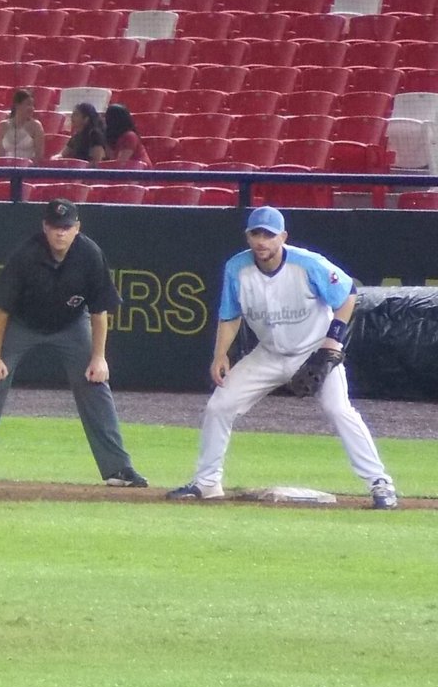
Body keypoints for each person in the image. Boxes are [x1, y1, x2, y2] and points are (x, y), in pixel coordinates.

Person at [167, 207, 398, 509]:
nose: (262, 241)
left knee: (339, 410)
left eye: (268, 234)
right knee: (219, 406)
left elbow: (348, 294)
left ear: (283, 237)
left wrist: (332, 343)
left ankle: (379, 482)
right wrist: (220, 354)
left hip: (314, 351)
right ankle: (207, 482)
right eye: (256, 234)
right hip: (269, 354)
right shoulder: (237, 267)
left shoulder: (306, 264)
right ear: (247, 236)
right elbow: (230, 314)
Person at [0, 199, 147, 488]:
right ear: (44, 228)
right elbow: (1, 309)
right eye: (54, 227)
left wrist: (99, 357)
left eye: (66, 227)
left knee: (95, 384)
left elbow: (100, 310)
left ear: (77, 228)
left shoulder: (89, 254)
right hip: (23, 324)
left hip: (72, 325)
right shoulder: (26, 254)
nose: (60, 233)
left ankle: (118, 468)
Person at [0, 89, 46, 161]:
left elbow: (39, 156)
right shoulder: (2, 126)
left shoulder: (36, 126)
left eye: (32, 105)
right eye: (28, 104)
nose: (32, 108)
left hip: (27, 170)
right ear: (17, 105)